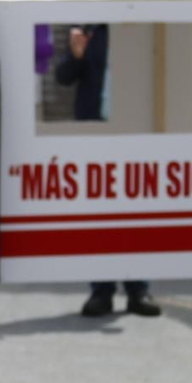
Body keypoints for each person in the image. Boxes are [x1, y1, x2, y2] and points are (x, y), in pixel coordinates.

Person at [57, 25, 159, 318]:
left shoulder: (141, 30)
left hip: (134, 133)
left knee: (136, 214)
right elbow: (63, 78)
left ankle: (138, 290)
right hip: (95, 134)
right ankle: (101, 291)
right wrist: (76, 56)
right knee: (99, 214)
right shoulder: (91, 29)